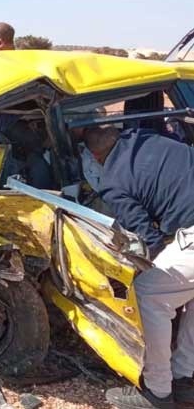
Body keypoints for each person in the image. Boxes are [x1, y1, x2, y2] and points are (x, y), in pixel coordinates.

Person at [84, 126, 194, 409]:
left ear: (95, 157)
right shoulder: (148, 137)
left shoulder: (112, 182)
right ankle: (185, 379)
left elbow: (148, 239)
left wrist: (146, 266)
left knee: (148, 294)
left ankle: (157, 392)